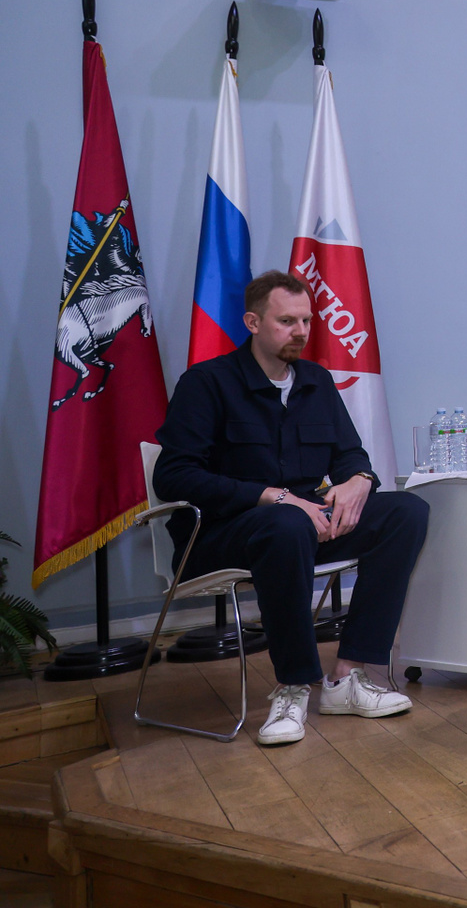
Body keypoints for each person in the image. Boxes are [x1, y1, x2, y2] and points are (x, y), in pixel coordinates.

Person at [154, 271, 429, 746]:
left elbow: (350, 455)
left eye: (306, 321)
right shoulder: (207, 383)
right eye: (286, 321)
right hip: (219, 537)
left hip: (302, 530)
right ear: (253, 323)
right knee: (286, 522)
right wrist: (274, 496)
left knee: (407, 512)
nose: (300, 331)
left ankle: (346, 677)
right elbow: (173, 476)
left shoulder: (316, 381)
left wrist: (359, 481)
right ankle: (293, 686)